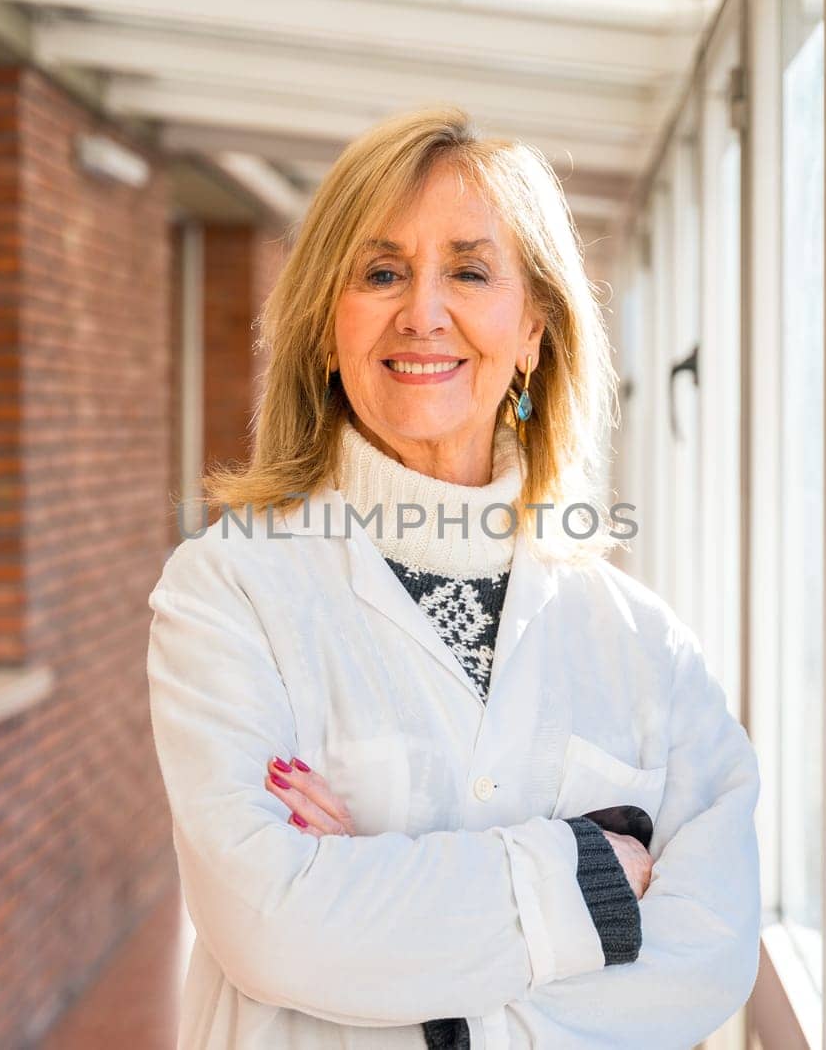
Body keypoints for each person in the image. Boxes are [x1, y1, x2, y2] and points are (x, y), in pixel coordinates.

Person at [146, 105, 760, 1049]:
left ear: (532, 332)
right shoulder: (229, 591)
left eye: (469, 271)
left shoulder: (644, 644)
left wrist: (385, 909)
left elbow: (709, 952)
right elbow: (274, 926)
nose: (422, 311)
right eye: (382, 273)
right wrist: (590, 873)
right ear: (324, 329)